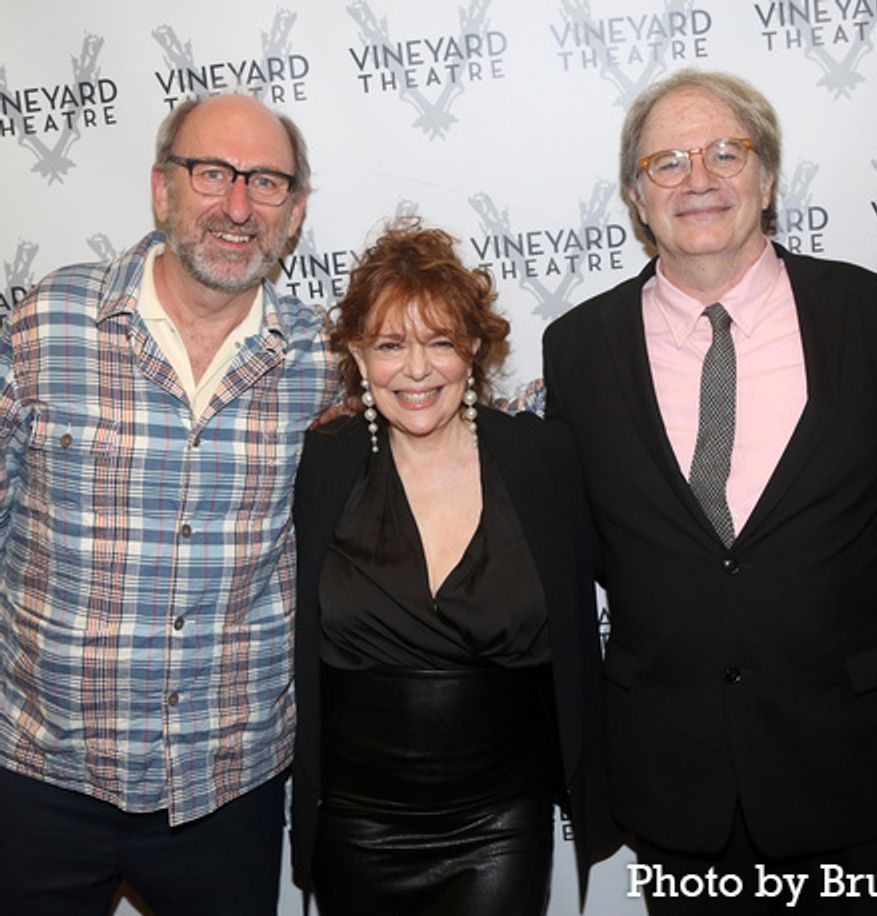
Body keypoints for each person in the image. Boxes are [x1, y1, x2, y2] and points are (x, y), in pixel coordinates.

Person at [542, 69, 877, 914]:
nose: (699, 180)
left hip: (855, 769)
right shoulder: (575, 348)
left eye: (728, 152)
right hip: (678, 778)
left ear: (767, 178)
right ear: (635, 198)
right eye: (668, 163)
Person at [0, 94, 336, 914]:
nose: (236, 206)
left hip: (228, 792)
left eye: (266, 183)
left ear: (293, 213)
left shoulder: (324, 362)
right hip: (41, 778)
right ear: (161, 189)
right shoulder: (48, 323)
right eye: (211, 173)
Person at [290, 219, 616, 915]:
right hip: (356, 825)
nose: (415, 370)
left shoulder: (541, 460)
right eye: (388, 345)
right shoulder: (323, 462)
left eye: (439, 342)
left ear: (472, 348)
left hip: (499, 823)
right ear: (356, 353)